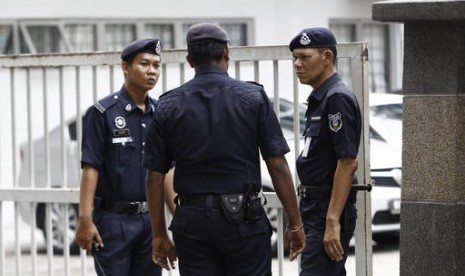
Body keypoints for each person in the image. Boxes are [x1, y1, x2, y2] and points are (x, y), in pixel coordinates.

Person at [144, 22, 306, 275]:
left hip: (192, 221)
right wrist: (295, 223)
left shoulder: (168, 105)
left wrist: (159, 236)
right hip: (243, 220)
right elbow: (276, 163)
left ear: (189, 60)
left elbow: (154, 177)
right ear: (227, 53)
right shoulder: (252, 97)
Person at [75, 38, 163, 276]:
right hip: (114, 222)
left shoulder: (160, 115)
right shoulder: (102, 113)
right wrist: (85, 219)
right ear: (125, 67)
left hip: (150, 221)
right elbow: (90, 168)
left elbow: (166, 172)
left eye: (156, 65)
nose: (152, 71)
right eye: (144, 64)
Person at [289, 27, 362, 276]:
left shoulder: (336, 98)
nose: (297, 64)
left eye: (304, 57)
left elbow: (348, 162)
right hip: (313, 208)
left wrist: (332, 221)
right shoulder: (321, 98)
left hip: (325, 210)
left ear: (327, 57)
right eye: (295, 58)